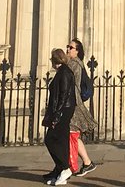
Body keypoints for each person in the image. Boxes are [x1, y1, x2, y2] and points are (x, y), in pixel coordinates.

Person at [43, 48, 78, 185]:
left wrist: (57, 115)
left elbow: (63, 95)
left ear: (55, 59)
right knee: (61, 142)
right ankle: (59, 170)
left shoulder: (64, 72)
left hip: (63, 111)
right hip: (63, 110)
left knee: (50, 139)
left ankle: (64, 167)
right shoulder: (63, 72)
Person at [66, 38, 96, 177]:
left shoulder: (75, 64)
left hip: (73, 105)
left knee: (72, 134)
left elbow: (75, 86)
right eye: (68, 47)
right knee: (72, 135)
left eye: (71, 47)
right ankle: (87, 162)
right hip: (72, 104)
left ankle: (72, 165)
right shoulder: (72, 63)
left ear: (77, 51)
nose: (68, 49)